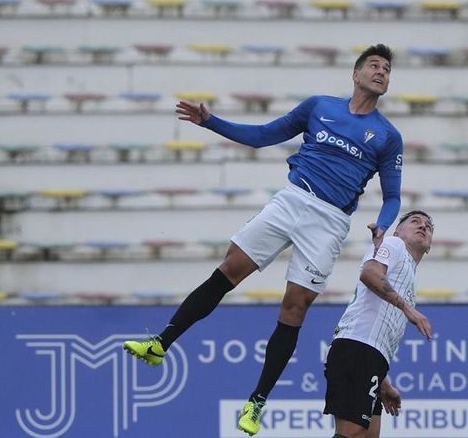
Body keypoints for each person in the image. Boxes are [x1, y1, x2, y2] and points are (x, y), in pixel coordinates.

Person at [122, 44, 405, 436]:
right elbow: (261, 136)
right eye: (374, 65)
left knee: (294, 308)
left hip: (329, 221)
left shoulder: (388, 136)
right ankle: (161, 343)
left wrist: (382, 225)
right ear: (356, 74)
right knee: (229, 269)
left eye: (387, 69)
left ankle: (256, 402)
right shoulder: (319, 106)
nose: (381, 72)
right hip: (293, 199)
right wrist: (211, 122)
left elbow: (393, 197)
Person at [324, 209, 435, 438]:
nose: (423, 226)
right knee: (353, 432)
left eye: (428, 226)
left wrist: (383, 383)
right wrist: (408, 309)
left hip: (371, 356)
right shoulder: (394, 245)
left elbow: (379, 326)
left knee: (368, 435)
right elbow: (369, 273)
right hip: (356, 347)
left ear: (430, 247)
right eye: (415, 221)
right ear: (397, 232)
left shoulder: (408, 273)